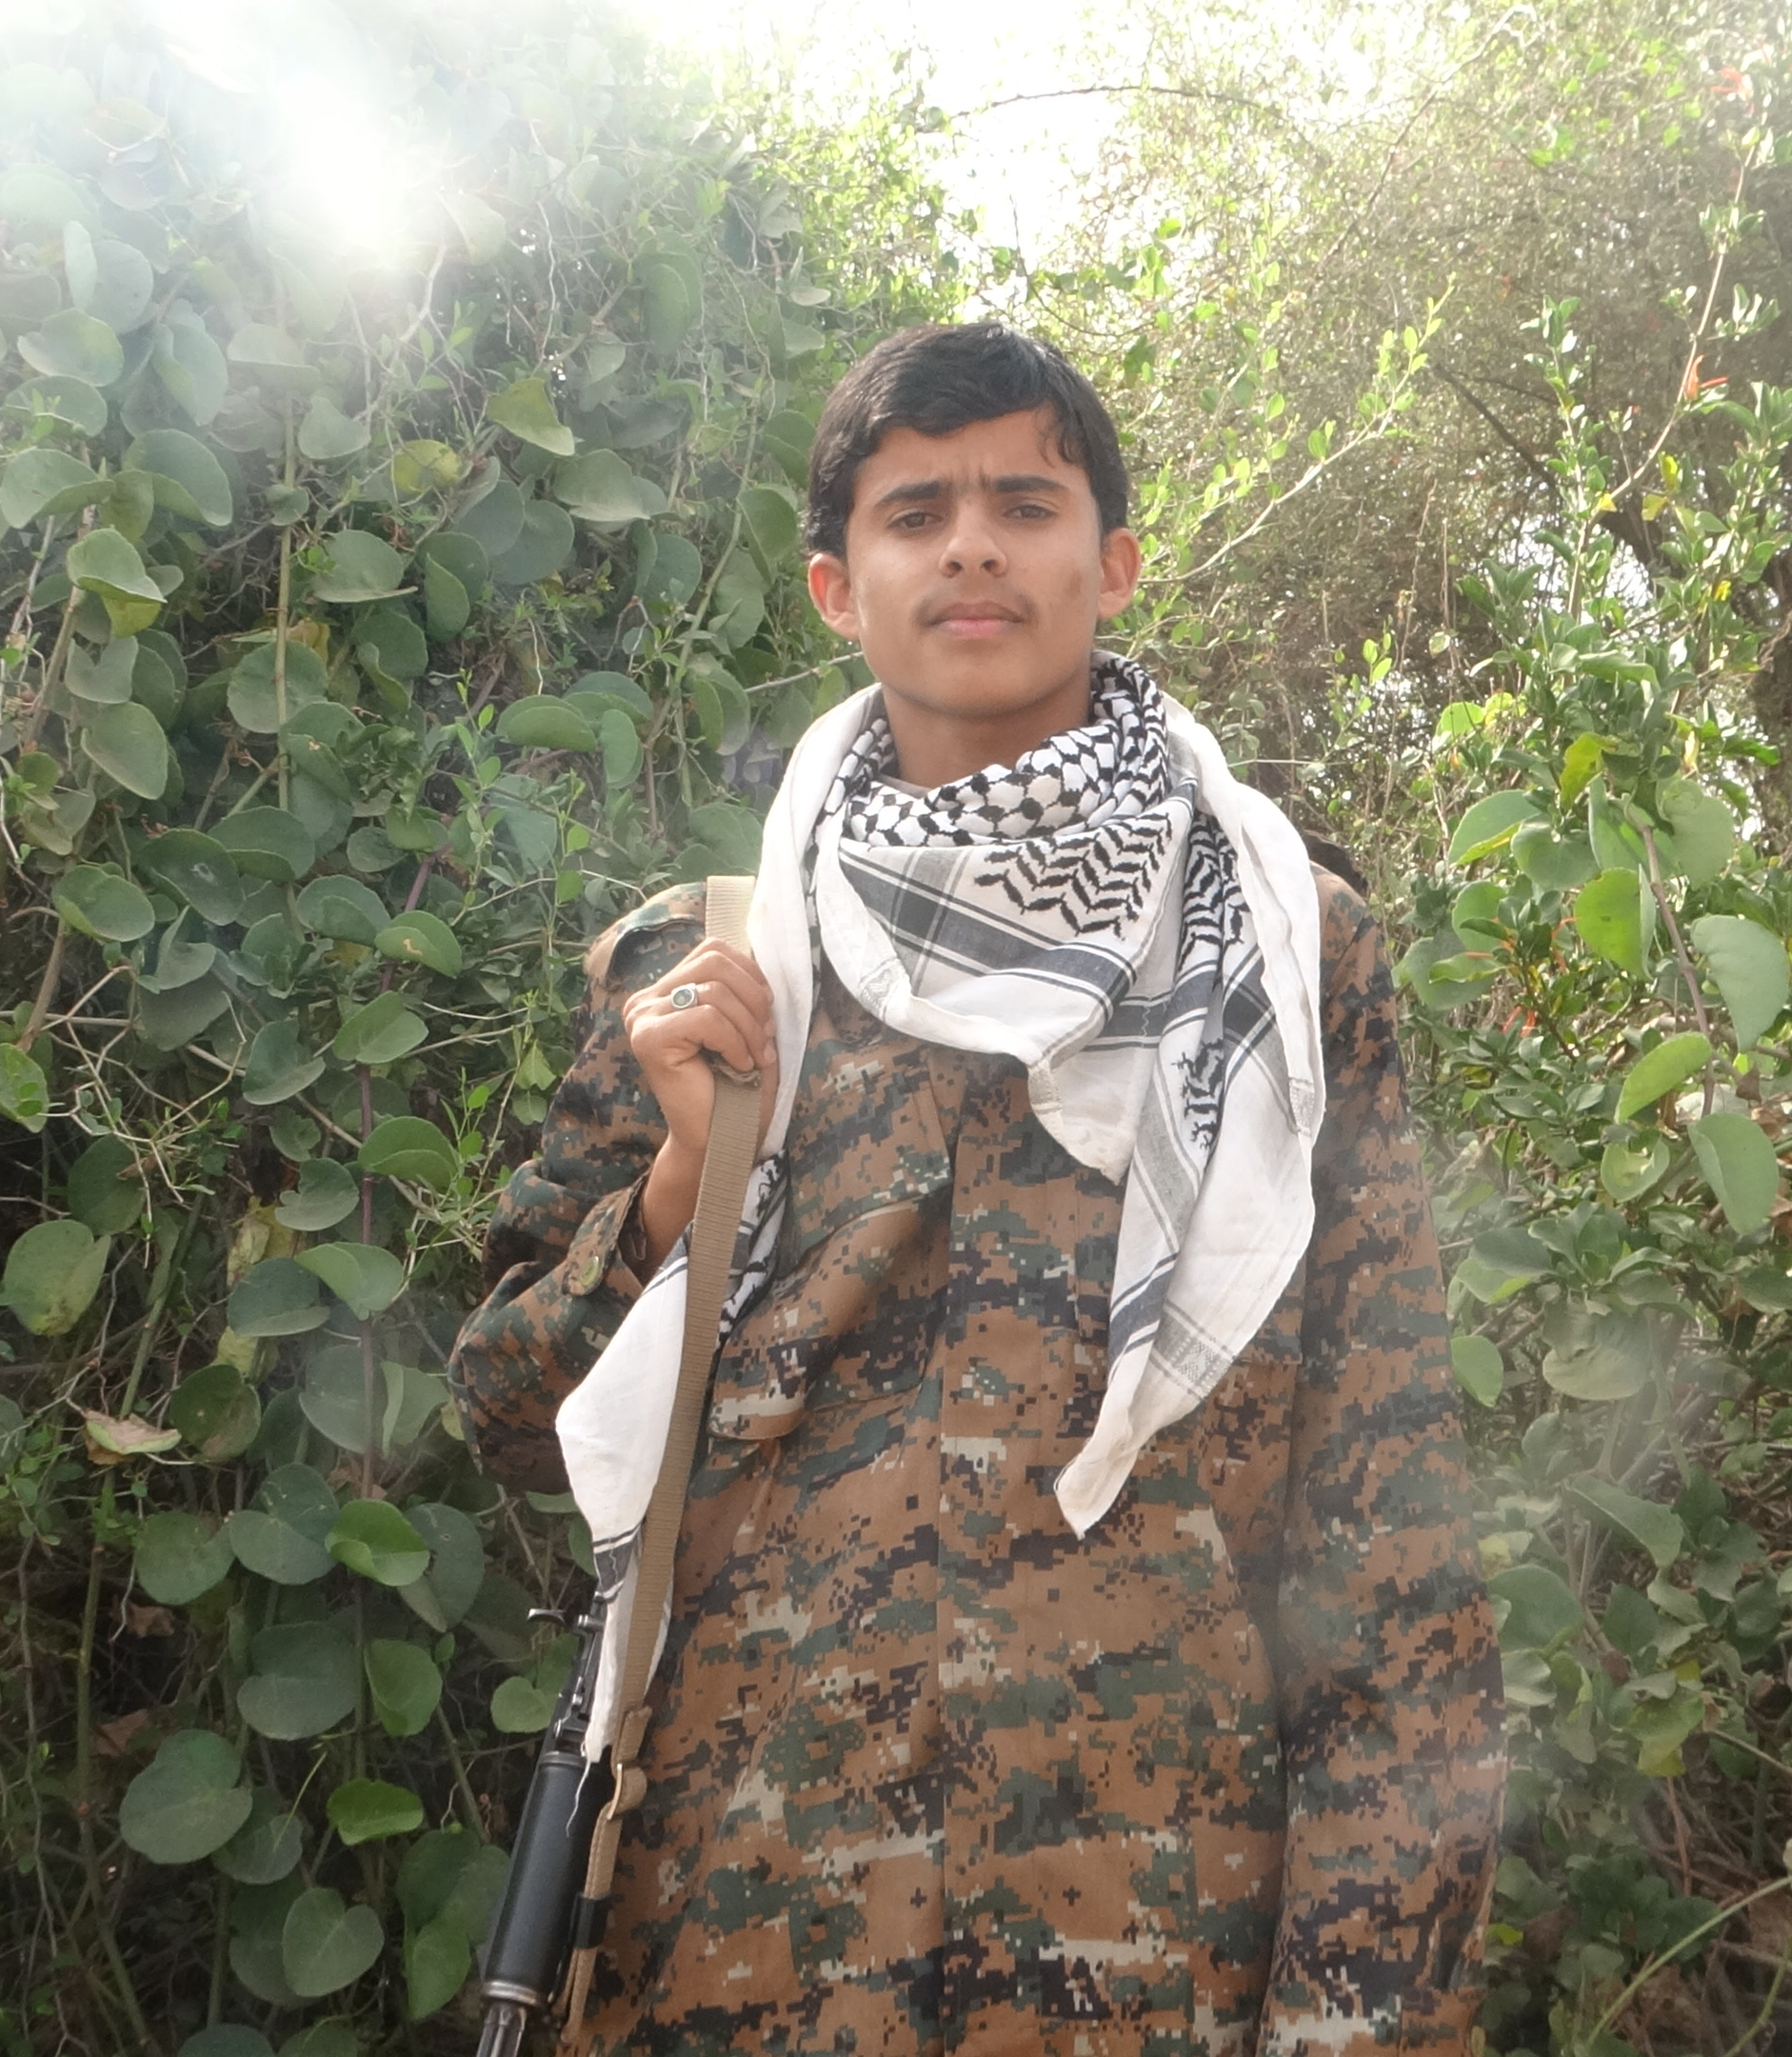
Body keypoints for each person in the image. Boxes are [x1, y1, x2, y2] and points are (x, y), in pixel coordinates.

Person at [446, 321, 1501, 2055]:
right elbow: (507, 1422)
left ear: (1114, 564)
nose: (972, 548)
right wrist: (681, 1180)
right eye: (914, 512)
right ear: (836, 590)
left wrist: (1357, 2024)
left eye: (1024, 502)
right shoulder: (709, 970)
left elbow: (1386, 1539)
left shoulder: (1281, 953)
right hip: (740, 1954)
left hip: (1151, 1961)